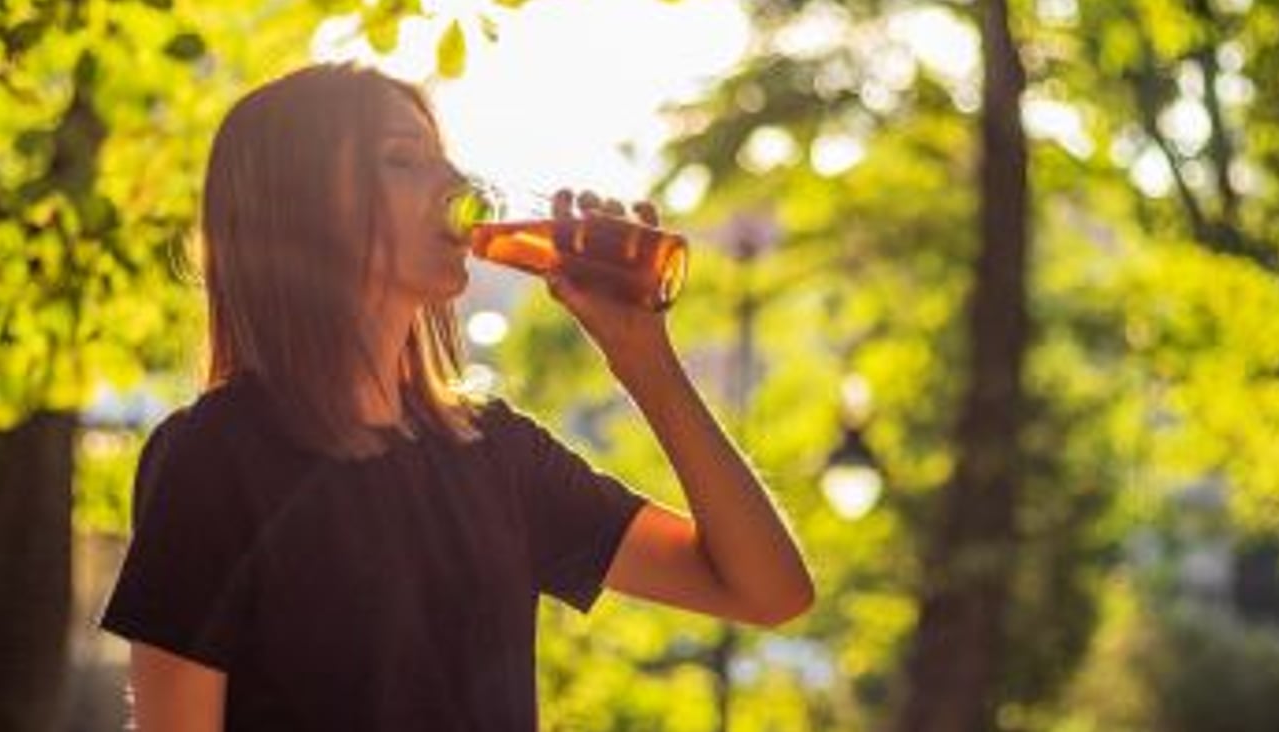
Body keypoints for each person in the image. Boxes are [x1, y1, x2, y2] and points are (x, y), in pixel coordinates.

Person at [98, 62, 814, 732]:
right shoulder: (214, 457)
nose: (455, 181)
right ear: (304, 205)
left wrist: (642, 356)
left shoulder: (495, 453)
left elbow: (767, 591)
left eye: (444, 156)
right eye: (403, 159)